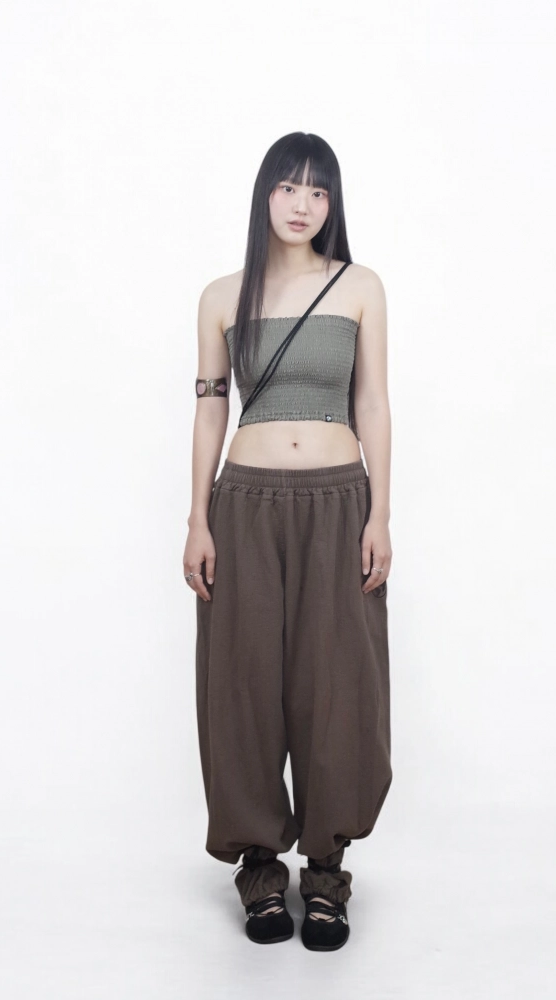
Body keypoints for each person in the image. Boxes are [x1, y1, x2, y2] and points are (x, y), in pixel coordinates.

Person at [184, 131, 392, 951]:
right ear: (264, 194)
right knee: (243, 682)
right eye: (289, 187)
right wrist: (197, 518)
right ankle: (261, 870)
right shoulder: (221, 296)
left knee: (337, 684)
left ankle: (328, 873)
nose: (303, 205)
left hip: (340, 501)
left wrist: (380, 514)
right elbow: (210, 406)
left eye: (319, 191)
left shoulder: (359, 286)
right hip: (244, 503)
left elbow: (372, 403)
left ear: (332, 204)